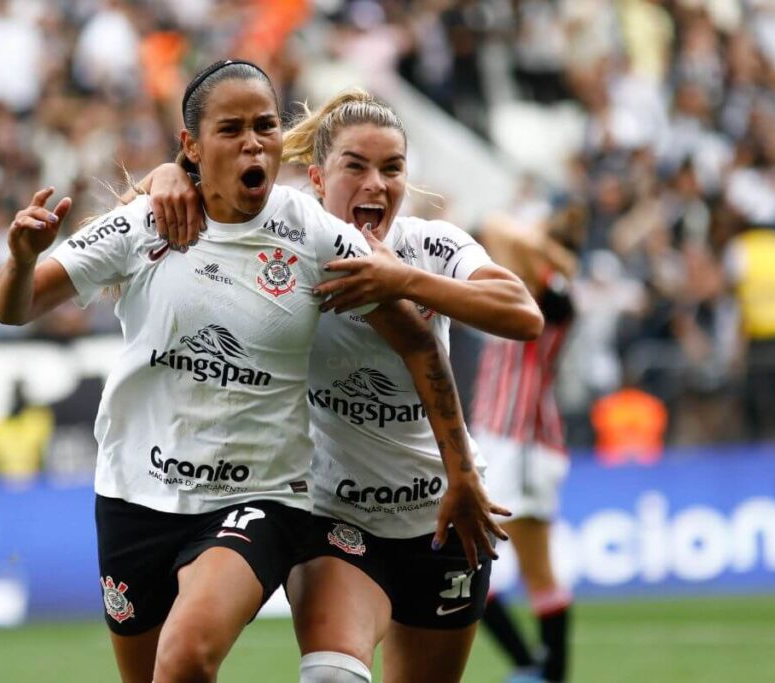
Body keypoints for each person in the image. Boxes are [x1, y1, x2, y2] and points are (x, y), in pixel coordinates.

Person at [0, 61, 501, 683]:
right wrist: (20, 259)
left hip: (258, 498)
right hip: (134, 491)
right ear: (191, 147)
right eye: (231, 129)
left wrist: (462, 471)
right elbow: (14, 308)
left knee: (185, 660)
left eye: (264, 126)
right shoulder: (146, 220)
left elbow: (420, 343)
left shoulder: (309, 232)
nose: (254, 141)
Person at [139, 88, 543, 682]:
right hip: (334, 516)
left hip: (445, 512)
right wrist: (167, 174)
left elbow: (522, 313)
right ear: (317, 179)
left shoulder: (432, 247)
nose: (376, 184)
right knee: (332, 675)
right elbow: (180, 202)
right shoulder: (287, 244)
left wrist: (402, 278)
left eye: (392, 168)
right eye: (355, 166)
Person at [470, 202, 585, 683]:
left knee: (532, 570)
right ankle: (530, 665)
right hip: (503, 439)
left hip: (522, 441)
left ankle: (544, 672)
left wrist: (539, 239)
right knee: (470, 562)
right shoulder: (531, 285)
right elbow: (493, 228)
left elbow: (496, 226)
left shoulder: (549, 292)